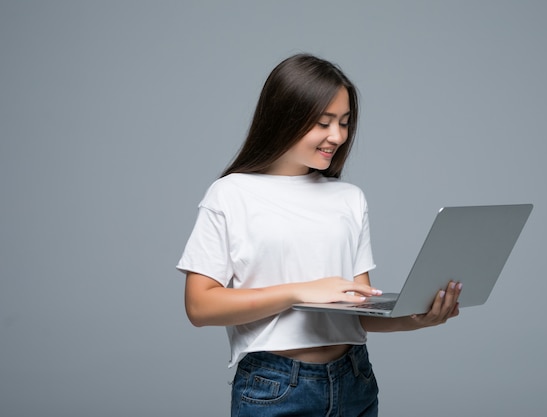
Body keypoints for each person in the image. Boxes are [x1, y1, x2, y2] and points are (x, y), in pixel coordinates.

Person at [176, 53, 462, 417]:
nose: (338, 136)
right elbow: (200, 307)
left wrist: (415, 317)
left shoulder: (349, 198)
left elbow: (357, 312)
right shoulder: (230, 194)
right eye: (323, 123)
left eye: (344, 123)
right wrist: (299, 291)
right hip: (276, 387)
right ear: (284, 118)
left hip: (354, 379)